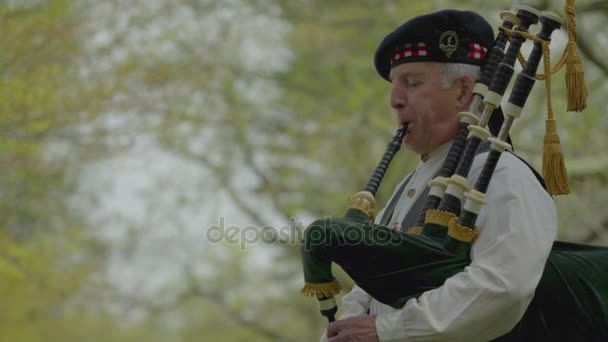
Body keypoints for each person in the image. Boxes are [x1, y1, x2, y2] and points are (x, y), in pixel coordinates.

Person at [321, 9, 557, 341]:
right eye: (394, 85)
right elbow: (374, 286)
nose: (395, 100)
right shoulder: (408, 186)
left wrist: (388, 331)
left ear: (463, 91)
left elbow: (503, 286)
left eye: (412, 83)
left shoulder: (504, 176)